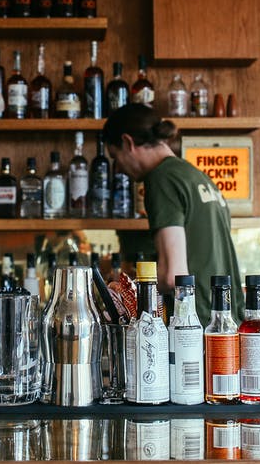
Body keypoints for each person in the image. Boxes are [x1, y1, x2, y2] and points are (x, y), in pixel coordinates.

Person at [103, 104, 244, 323]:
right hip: (225, 323)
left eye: (115, 157)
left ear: (128, 143)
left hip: (194, 328)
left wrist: (125, 290)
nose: (119, 169)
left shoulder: (161, 179)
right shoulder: (196, 176)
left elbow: (172, 276)